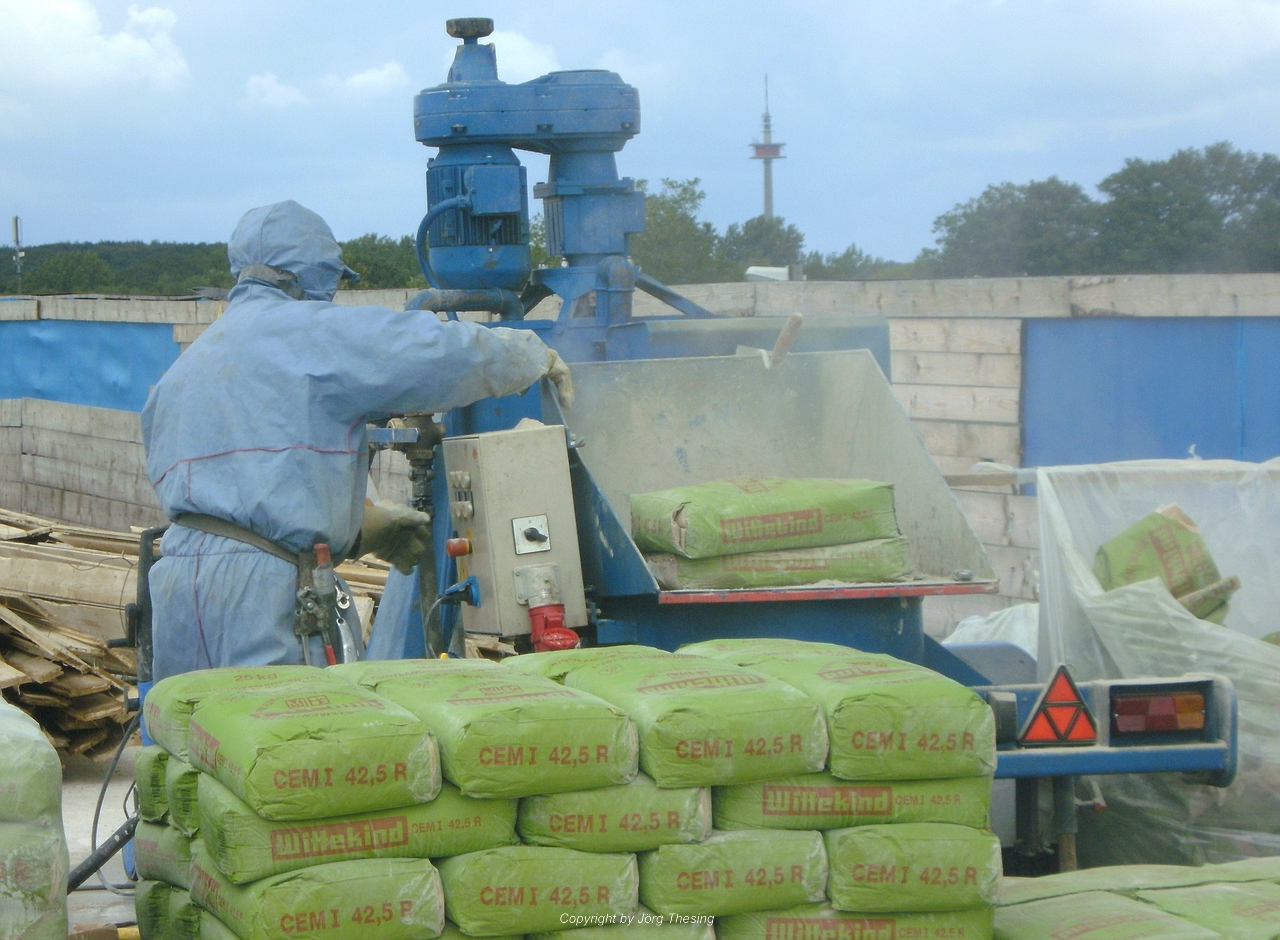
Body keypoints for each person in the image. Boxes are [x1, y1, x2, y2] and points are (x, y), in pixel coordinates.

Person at [141, 200, 572, 680]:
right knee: (274, 721)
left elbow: (239, 499)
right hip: (260, 593)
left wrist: (363, 531)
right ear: (313, 271)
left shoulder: (185, 369)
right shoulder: (312, 332)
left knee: (192, 719)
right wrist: (528, 353)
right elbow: (433, 352)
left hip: (176, 584)